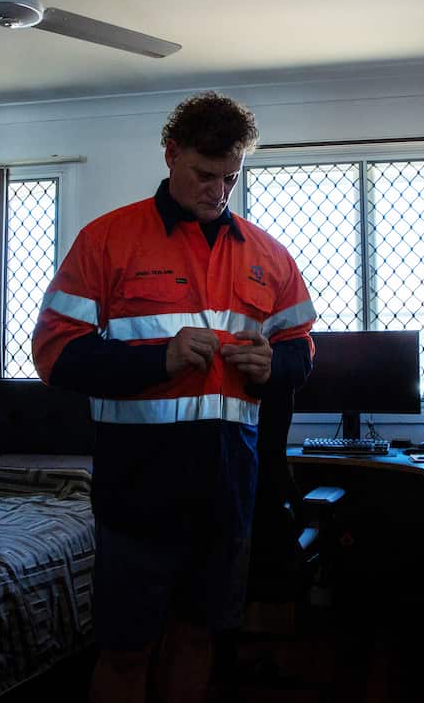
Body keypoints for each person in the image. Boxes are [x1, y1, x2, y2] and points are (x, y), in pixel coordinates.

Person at [31, 91, 316, 703]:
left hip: (229, 485)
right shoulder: (106, 240)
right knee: (127, 647)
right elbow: (54, 355)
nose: (217, 191)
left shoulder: (270, 254)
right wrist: (155, 359)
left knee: (199, 635)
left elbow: (301, 351)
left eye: (230, 178)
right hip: (138, 486)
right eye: (204, 175)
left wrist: (271, 363)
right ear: (170, 155)